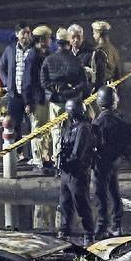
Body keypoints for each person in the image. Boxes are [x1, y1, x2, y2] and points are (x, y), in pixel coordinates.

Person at [0, 23, 46, 166]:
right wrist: (7, 82)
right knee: (14, 124)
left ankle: (32, 155)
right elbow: (1, 67)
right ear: (17, 34)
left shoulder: (34, 51)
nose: (26, 35)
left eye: (28, 33)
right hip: (15, 95)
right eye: (23, 33)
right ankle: (18, 153)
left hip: (30, 96)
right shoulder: (10, 50)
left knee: (32, 125)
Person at [41, 26, 88, 161]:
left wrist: (57, 88)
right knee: (73, 131)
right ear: (69, 43)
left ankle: (58, 159)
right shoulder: (76, 61)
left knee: (56, 132)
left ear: (57, 43)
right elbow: (83, 83)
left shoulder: (48, 60)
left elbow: (44, 82)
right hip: (73, 103)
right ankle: (70, 159)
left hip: (56, 102)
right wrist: (72, 91)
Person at [92, 86, 131, 238]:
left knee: (100, 194)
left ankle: (102, 226)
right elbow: (129, 145)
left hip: (100, 163)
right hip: (114, 162)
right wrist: (120, 158)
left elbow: (92, 144)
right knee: (114, 192)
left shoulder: (97, 123)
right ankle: (117, 224)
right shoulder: (122, 122)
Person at [57, 99, 96, 243]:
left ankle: (89, 233)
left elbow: (78, 152)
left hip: (78, 172)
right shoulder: (69, 126)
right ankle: (64, 230)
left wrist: (67, 163)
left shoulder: (83, 128)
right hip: (67, 172)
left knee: (81, 203)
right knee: (65, 203)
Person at [90, 20, 123, 85]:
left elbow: (99, 75)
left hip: (103, 87)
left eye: (94, 33)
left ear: (98, 34)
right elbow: (118, 71)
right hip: (113, 85)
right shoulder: (113, 48)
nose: (93, 36)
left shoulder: (99, 51)